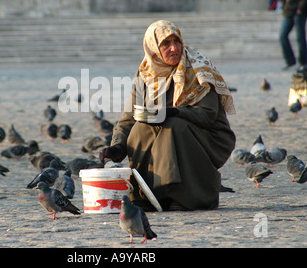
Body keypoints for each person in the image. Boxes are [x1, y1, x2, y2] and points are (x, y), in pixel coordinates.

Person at [99, 20, 236, 211]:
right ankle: (145, 194)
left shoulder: (198, 70)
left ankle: (184, 195)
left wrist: (174, 111)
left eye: (177, 41)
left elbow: (207, 115)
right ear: (153, 47)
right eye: (166, 44)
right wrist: (117, 147)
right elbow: (129, 118)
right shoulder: (145, 73)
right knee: (140, 127)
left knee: (173, 126)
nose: (174, 48)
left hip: (209, 135)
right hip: (168, 129)